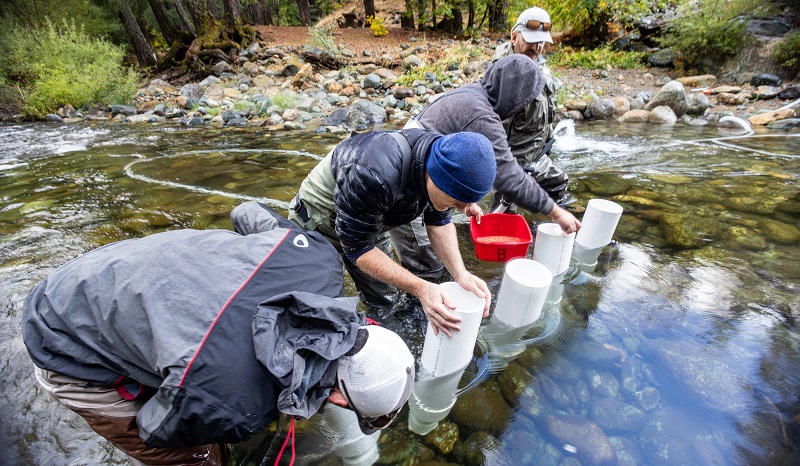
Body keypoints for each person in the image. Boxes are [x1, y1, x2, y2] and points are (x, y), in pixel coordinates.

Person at [22, 203, 415, 466]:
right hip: (59, 332)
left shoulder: (319, 259)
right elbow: (155, 428)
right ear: (338, 398)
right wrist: (209, 417)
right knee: (191, 455)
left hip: (109, 265)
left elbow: (246, 212)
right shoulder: (236, 406)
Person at [289, 129, 496, 336]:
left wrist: (460, 274)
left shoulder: (440, 168)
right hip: (317, 221)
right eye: (457, 200)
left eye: (467, 201)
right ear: (435, 176)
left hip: (370, 221)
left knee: (386, 303)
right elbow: (358, 250)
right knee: (323, 313)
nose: (461, 208)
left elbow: (439, 223)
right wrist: (421, 289)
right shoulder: (374, 172)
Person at [394, 54, 581, 281]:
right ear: (515, 95)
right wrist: (556, 211)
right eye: (526, 100)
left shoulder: (472, 94)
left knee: (426, 259)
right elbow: (509, 177)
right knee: (428, 269)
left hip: (417, 172)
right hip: (405, 186)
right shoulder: (481, 115)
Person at [492, 6, 570, 205]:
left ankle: (541, 228)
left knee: (558, 184)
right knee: (502, 217)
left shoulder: (537, 63)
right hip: (513, 164)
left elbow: (545, 108)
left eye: (542, 42)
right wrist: (507, 168)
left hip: (537, 154)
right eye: (531, 41)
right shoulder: (504, 75)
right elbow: (491, 128)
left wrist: (548, 139)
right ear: (514, 37)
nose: (537, 47)